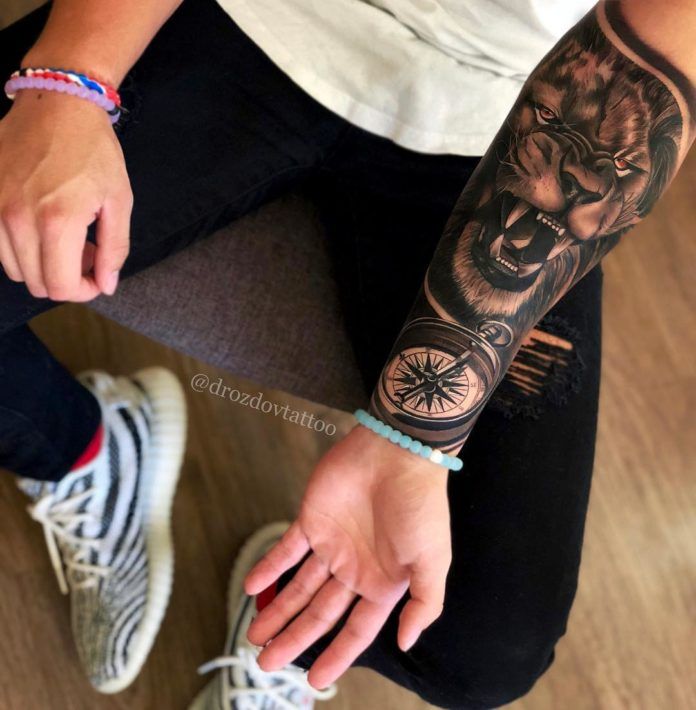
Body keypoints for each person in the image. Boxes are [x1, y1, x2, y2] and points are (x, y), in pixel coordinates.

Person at [0, 0, 693, 707]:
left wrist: (416, 436)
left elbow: (644, 66)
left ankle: (292, 616)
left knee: (484, 648)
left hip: (512, 104)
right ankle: (80, 447)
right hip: (251, 17)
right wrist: (71, 83)